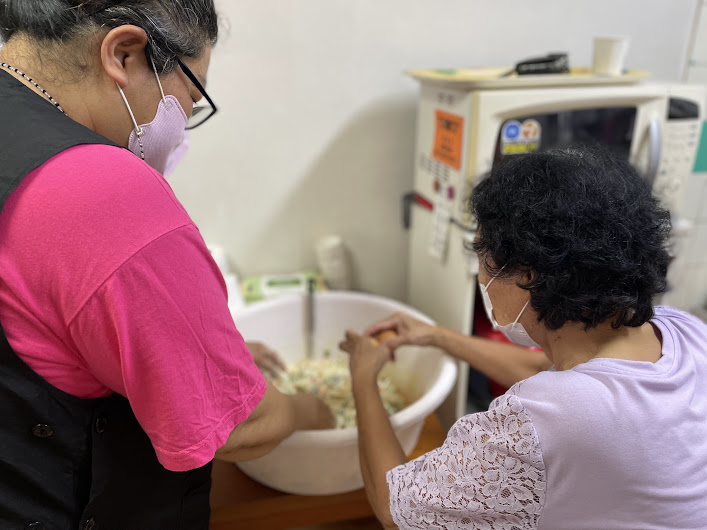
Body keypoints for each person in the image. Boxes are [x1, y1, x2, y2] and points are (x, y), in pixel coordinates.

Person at [0, 1, 333, 528]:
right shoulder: (102, 193)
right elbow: (238, 426)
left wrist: (205, 354)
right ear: (124, 54)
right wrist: (311, 409)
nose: (181, 131)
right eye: (190, 99)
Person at [341, 147, 707, 529]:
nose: (481, 278)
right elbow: (546, 372)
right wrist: (437, 337)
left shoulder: (542, 424)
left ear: (527, 275)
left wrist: (363, 377)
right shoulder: (683, 329)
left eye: (483, 258)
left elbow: (392, 508)